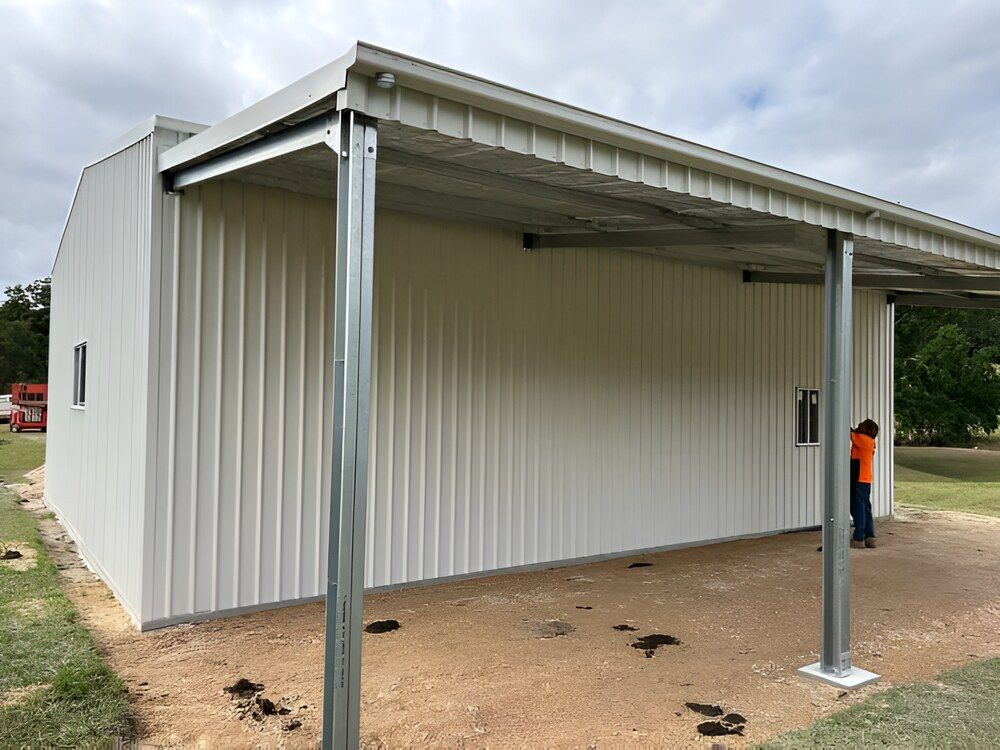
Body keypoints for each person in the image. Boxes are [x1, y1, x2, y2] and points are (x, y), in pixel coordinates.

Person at [850, 419, 879, 549]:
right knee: (866, 508)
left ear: (866, 429)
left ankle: (858, 538)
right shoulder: (871, 442)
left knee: (858, 508)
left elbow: (847, 431)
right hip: (866, 479)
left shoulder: (860, 438)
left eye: (861, 425)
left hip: (858, 478)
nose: (858, 425)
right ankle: (870, 537)